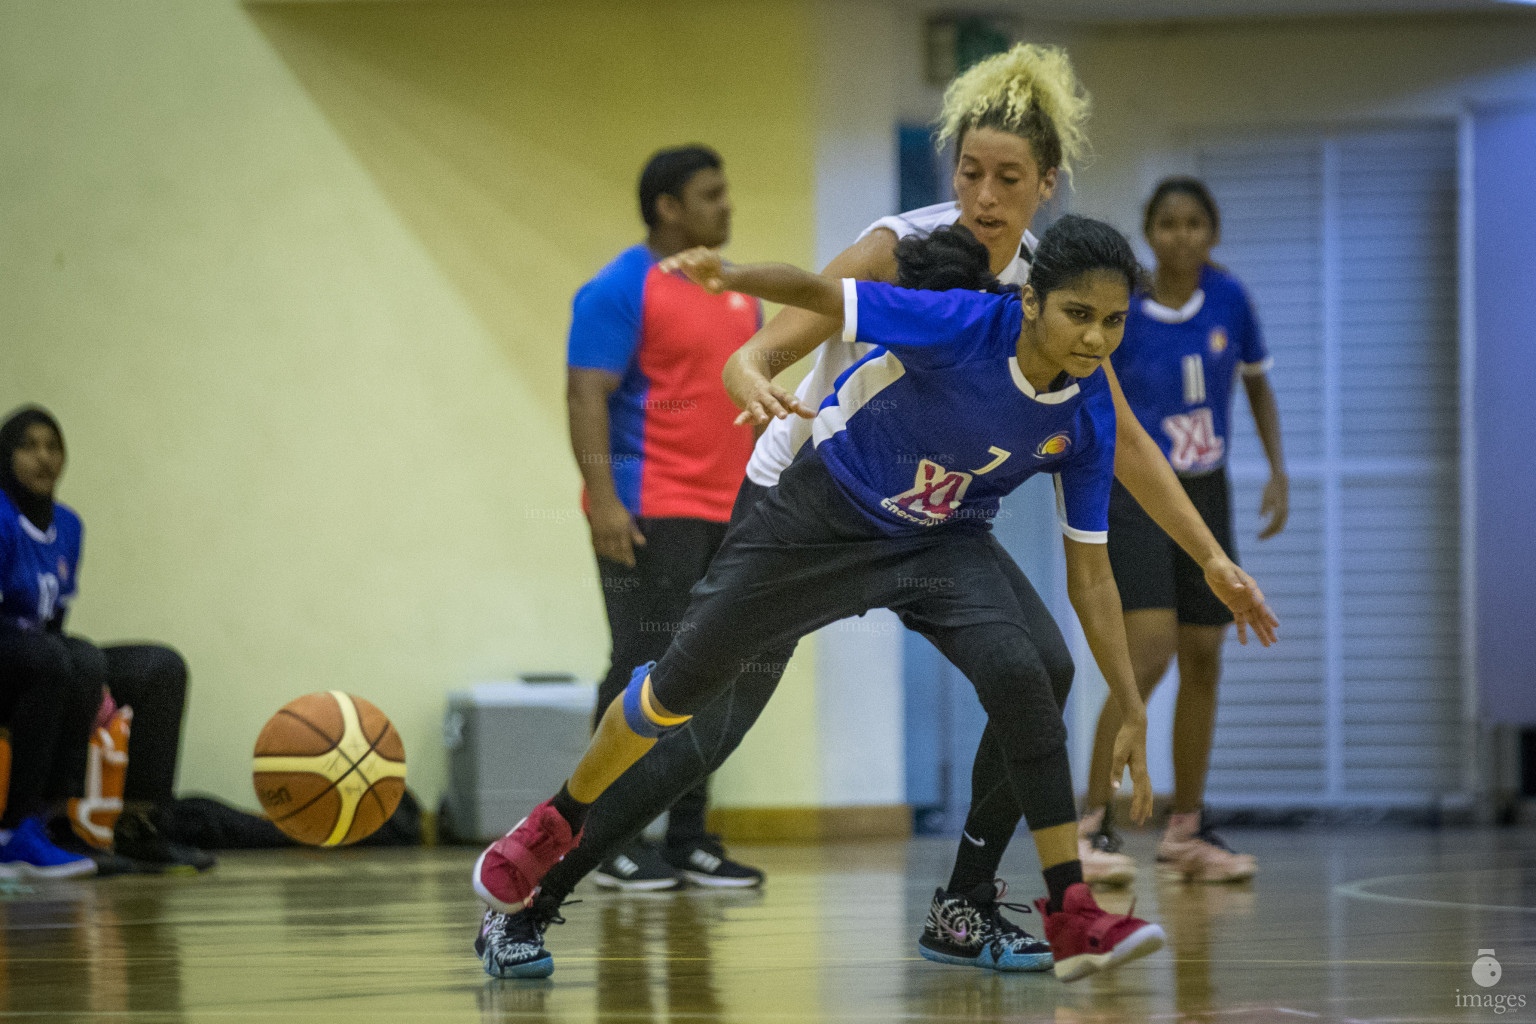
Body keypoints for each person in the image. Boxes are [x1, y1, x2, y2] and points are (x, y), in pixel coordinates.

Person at [476, 42, 1276, 979]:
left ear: (1046, 183)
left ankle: (967, 907)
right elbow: (777, 337)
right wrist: (746, 366)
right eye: (969, 172)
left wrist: (1209, 555)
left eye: (1007, 178)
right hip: (817, 499)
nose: (983, 197)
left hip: (940, 525)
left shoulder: (1054, 290)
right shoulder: (903, 247)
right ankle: (532, 901)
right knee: (701, 730)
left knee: (1043, 667)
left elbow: (1122, 438)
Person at [565, 144, 764, 892]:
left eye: (726, 190)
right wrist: (603, 502)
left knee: (710, 672)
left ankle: (687, 838)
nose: (726, 205)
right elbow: (585, 394)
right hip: (649, 510)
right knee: (638, 666)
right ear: (667, 208)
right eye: (711, 194)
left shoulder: (739, 295)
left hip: (730, 514)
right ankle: (600, 839)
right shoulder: (620, 288)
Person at [1078, 178, 1287, 884]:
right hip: (1137, 493)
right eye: (1168, 223)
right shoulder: (1127, 308)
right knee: (1148, 651)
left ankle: (1187, 830)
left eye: (1195, 222)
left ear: (1212, 232)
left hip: (1206, 489)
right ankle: (1091, 824)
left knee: (1204, 653)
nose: (1181, 235)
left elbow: (1256, 382)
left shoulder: (1230, 299)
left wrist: (1278, 471)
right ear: (1149, 233)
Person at [0, 406, 214, 876]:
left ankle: (138, 828)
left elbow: (53, 623)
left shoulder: (68, 526)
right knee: (61, 658)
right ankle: (23, 829)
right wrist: (64, 666)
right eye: (29, 446)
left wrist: (83, 680)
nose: (44, 457)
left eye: (53, 447)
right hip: (15, 661)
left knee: (157, 667)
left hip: (42, 657)